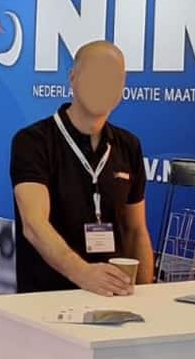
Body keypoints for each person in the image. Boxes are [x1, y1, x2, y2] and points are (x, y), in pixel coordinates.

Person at [9, 40, 155, 295]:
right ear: (73, 78)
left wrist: (147, 295)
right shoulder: (33, 141)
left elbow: (136, 231)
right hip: (47, 299)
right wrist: (83, 273)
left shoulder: (128, 145)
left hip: (113, 298)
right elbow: (34, 224)